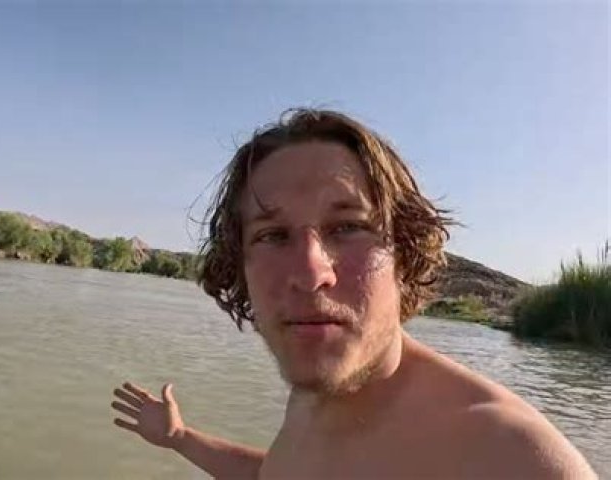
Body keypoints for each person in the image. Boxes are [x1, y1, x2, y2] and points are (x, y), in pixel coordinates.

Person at [111, 109, 596, 479]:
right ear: (242, 266)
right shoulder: (314, 393)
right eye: (273, 235)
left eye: (347, 227)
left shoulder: (511, 458)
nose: (309, 273)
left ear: (405, 255)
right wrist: (181, 438)